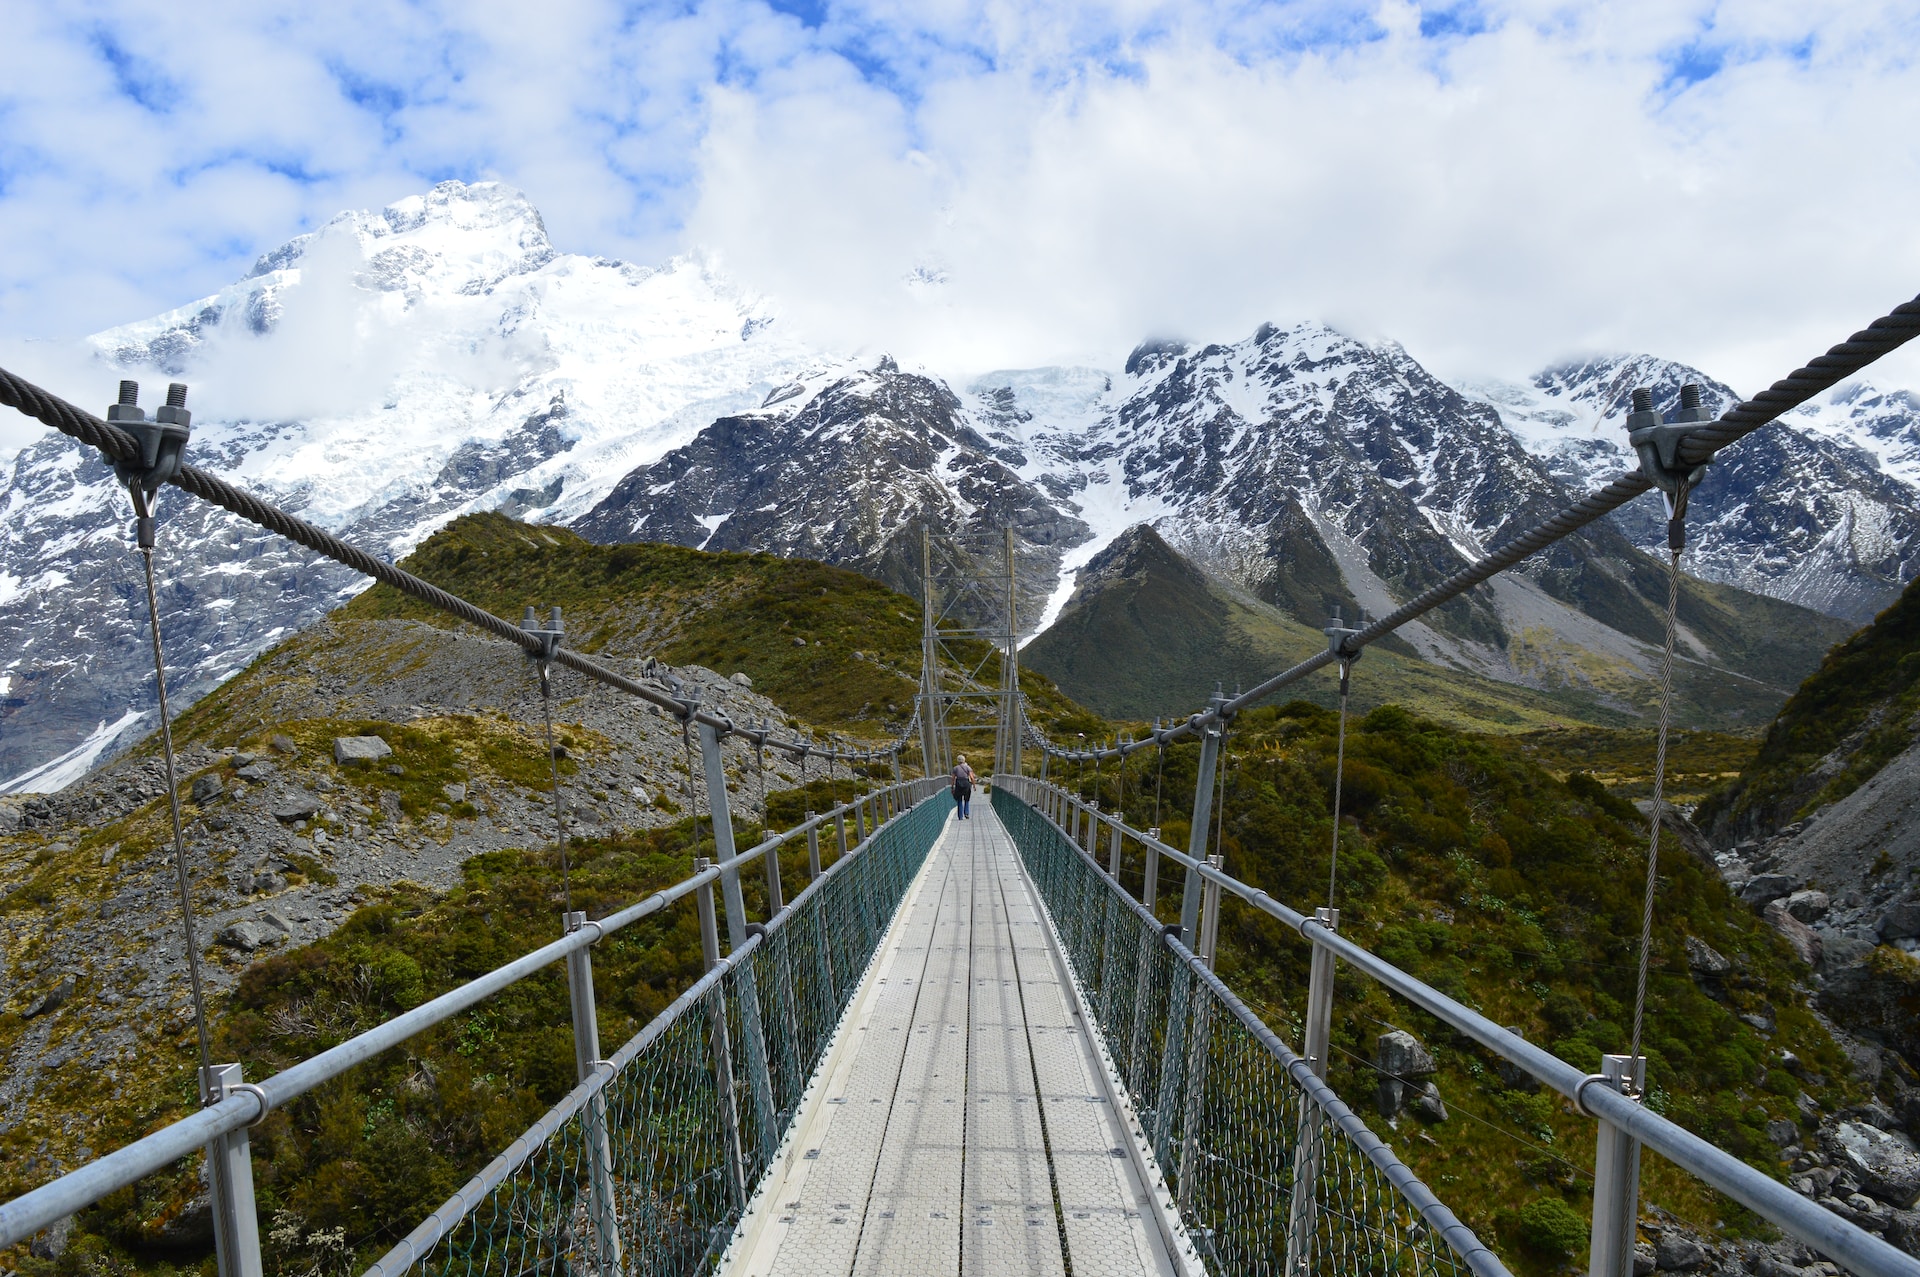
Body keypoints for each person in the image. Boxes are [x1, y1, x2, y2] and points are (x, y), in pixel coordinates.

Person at [951, 755, 976, 820]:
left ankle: (960, 816)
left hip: (958, 783)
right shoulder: (968, 768)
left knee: (959, 800)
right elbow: (972, 777)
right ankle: (966, 813)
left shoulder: (955, 768)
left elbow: (953, 778)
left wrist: (952, 787)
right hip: (966, 783)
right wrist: (974, 785)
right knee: (966, 799)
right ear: (964, 760)